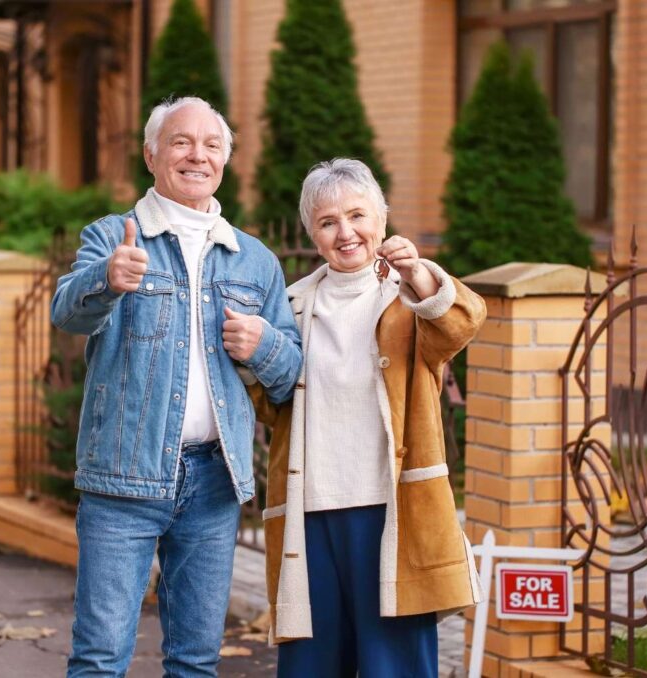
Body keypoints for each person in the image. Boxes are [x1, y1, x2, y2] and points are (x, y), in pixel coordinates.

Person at [50, 96, 302, 677]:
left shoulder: (255, 261)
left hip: (214, 483)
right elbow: (67, 314)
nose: (198, 155)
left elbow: (290, 379)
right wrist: (106, 279)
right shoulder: (113, 236)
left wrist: (262, 344)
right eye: (182, 142)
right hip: (123, 477)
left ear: (225, 161)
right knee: (99, 657)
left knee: (195, 662)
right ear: (152, 155)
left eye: (212, 145)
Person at [249, 158, 486, 676]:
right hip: (307, 518)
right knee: (310, 667)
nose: (346, 232)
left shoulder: (408, 298)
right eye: (328, 221)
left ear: (381, 218)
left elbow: (460, 326)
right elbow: (270, 406)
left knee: (393, 666)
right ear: (313, 233)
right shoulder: (292, 305)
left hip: (391, 513)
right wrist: (257, 352)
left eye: (357, 215)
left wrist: (420, 273)